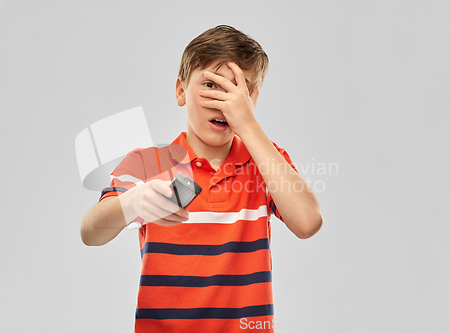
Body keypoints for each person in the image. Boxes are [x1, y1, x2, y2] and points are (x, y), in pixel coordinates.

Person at [81, 25, 322, 333]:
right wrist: (133, 202)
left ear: (253, 98)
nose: (223, 101)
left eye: (238, 89)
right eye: (210, 84)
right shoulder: (150, 162)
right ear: (181, 90)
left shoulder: (265, 160)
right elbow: (90, 232)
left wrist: (249, 126)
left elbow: (308, 222)